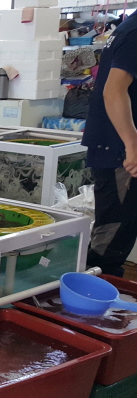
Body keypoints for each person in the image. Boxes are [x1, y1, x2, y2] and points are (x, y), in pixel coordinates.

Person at [83, 11, 137, 277]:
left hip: (120, 148)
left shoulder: (128, 27)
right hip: (120, 154)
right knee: (110, 243)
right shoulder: (134, 32)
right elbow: (113, 91)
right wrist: (132, 145)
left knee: (121, 232)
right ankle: (89, 297)